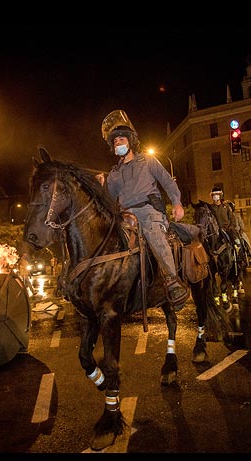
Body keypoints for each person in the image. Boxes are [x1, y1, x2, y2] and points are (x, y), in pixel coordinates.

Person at [99, 109, 189, 310]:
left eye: (121, 139)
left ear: (130, 141)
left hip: (149, 212)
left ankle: (172, 282)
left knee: (154, 235)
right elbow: (109, 200)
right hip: (125, 216)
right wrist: (102, 185)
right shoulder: (113, 175)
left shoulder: (148, 161)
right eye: (115, 141)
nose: (118, 143)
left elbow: (167, 181)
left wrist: (176, 202)